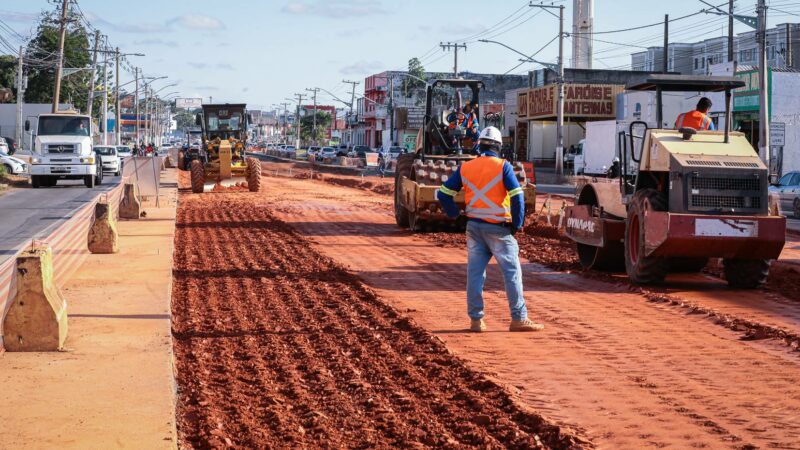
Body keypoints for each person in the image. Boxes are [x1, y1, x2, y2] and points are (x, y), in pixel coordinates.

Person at [437, 126, 544, 333]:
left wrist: (455, 215)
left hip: (474, 227)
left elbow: (443, 194)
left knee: (475, 274)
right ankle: (518, 318)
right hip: (498, 229)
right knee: (511, 273)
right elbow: (517, 196)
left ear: (480, 145)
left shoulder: (466, 167)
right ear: (498, 147)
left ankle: (476, 321)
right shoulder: (503, 166)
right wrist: (517, 224)